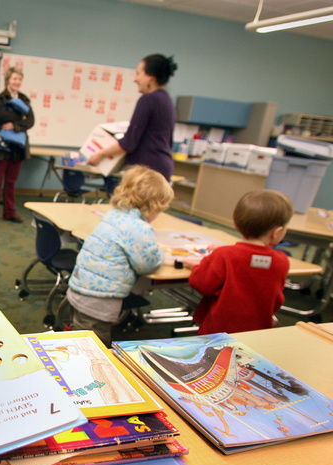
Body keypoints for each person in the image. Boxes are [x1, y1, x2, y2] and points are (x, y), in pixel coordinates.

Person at [64, 165, 174, 346]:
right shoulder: (138, 227)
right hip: (98, 302)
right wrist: (160, 253)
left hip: (80, 290)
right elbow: (148, 264)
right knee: (94, 349)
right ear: (153, 205)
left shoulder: (114, 214)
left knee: (79, 337)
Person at [184, 190, 293, 335]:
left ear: (236, 223)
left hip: (217, 332)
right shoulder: (281, 261)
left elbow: (201, 283)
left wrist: (200, 266)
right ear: (277, 232)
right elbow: (276, 300)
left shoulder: (224, 255)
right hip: (258, 333)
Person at [87, 54, 177, 181]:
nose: (135, 79)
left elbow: (128, 143)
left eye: (138, 73)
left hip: (146, 171)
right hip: (162, 168)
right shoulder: (167, 100)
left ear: (150, 76)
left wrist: (100, 154)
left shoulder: (148, 99)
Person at [0, 66, 35, 225]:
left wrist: (14, 125)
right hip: (0, 147)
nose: (17, 82)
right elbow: (0, 115)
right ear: (8, 80)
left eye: (19, 79)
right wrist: (20, 115)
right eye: (14, 79)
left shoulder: (25, 99)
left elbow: (31, 120)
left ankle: (9, 212)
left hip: (17, 148)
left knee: (11, 182)